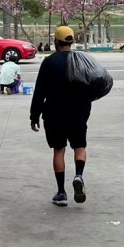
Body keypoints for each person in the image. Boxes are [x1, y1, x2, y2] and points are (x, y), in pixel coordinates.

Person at [30, 25, 93, 207]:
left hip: (54, 113)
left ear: (56, 42)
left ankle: (61, 193)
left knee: (59, 150)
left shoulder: (49, 62)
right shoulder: (81, 60)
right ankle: (79, 175)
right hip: (78, 113)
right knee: (79, 146)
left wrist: (34, 115)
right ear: (71, 42)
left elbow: (40, 91)